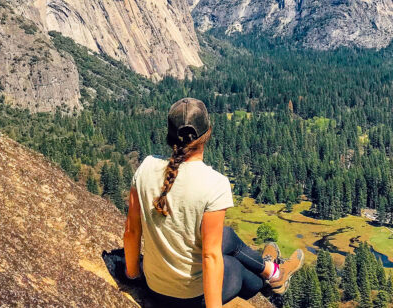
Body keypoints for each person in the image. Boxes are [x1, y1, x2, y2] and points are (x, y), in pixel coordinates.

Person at [123, 98, 304, 307]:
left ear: (169, 135)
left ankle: (272, 271)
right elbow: (210, 257)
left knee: (226, 235)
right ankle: (270, 278)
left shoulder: (146, 166)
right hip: (188, 298)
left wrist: (133, 276)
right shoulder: (214, 184)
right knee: (236, 267)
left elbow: (131, 231)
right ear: (208, 132)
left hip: (154, 285)